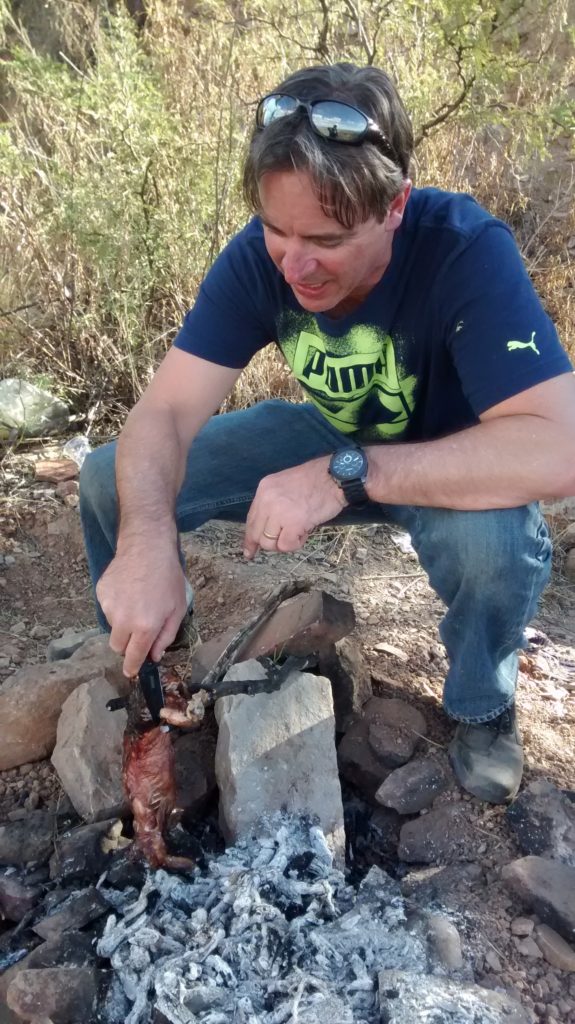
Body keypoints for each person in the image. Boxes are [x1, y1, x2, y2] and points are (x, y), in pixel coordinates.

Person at [79, 62, 575, 805]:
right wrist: (148, 539)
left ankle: (481, 705)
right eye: (277, 230)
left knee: (492, 546)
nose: (295, 263)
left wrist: (344, 473)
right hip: (331, 430)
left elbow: (558, 446)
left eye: (325, 239)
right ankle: (156, 669)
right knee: (112, 481)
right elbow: (165, 414)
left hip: (451, 457)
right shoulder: (261, 258)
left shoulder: (464, 250)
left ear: (396, 205)